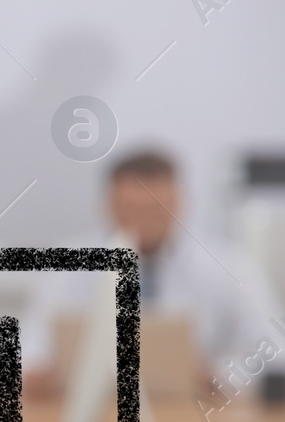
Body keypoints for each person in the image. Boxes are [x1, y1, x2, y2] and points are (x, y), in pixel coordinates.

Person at [22, 147, 281, 402]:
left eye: (156, 210)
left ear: (179, 202)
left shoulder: (230, 266)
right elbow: (31, 349)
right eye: (131, 210)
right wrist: (43, 374)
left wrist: (221, 376)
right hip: (96, 419)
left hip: (197, 420)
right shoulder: (70, 265)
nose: (143, 222)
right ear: (108, 205)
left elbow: (272, 351)